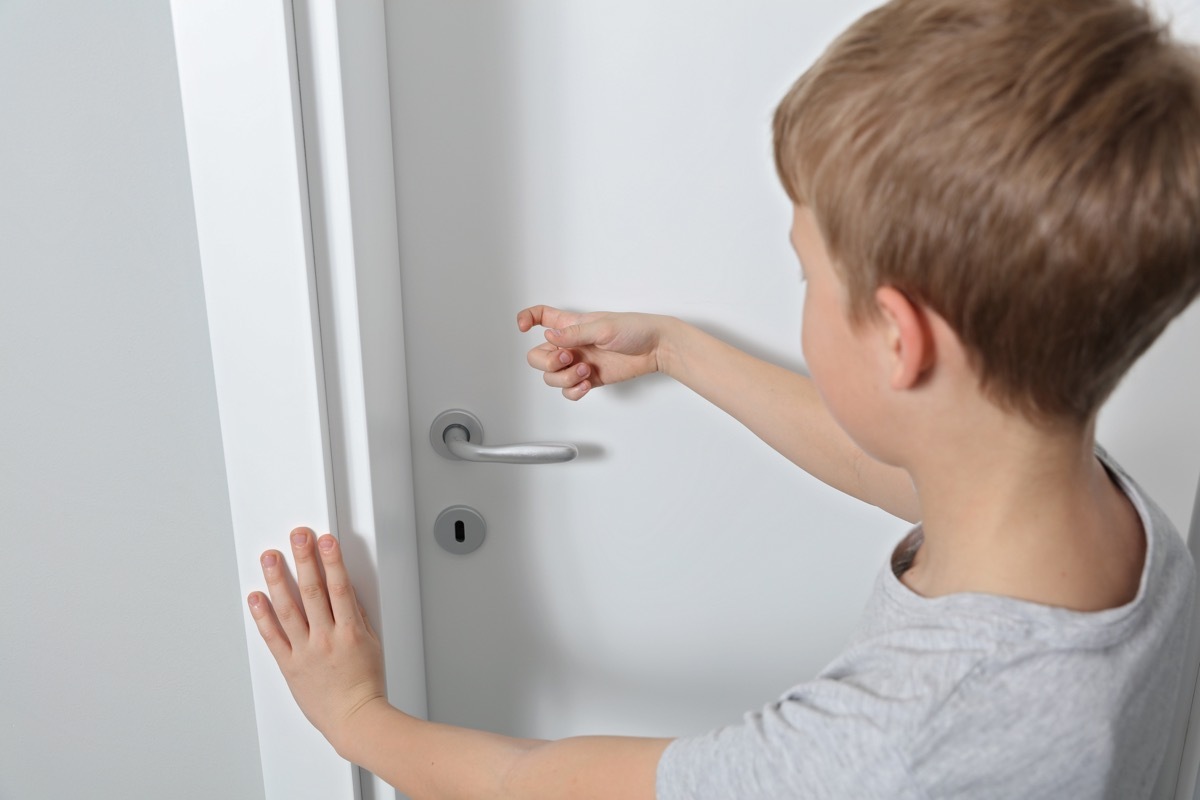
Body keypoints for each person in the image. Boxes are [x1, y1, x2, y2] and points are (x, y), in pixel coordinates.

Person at [245, 0, 1200, 796]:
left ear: (900, 337)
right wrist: (676, 349)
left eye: (804, 277)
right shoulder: (1108, 523)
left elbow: (533, 780)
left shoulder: (894, 744)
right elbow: (912, 473)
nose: (802, 295)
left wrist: (354, 719)